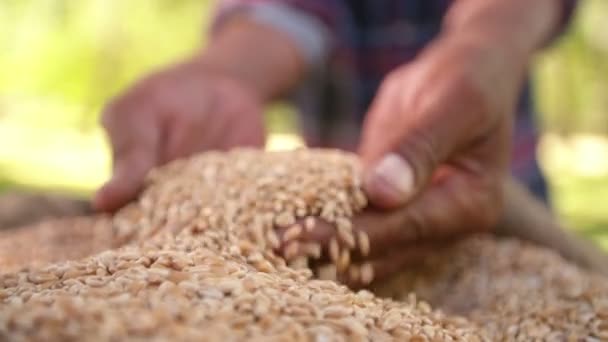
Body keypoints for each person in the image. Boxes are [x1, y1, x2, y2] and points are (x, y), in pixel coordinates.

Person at [93, 0, 578, 281]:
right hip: (320, 232)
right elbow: (294, 9)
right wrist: (223, 73)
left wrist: (484, 45)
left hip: (487, 171)